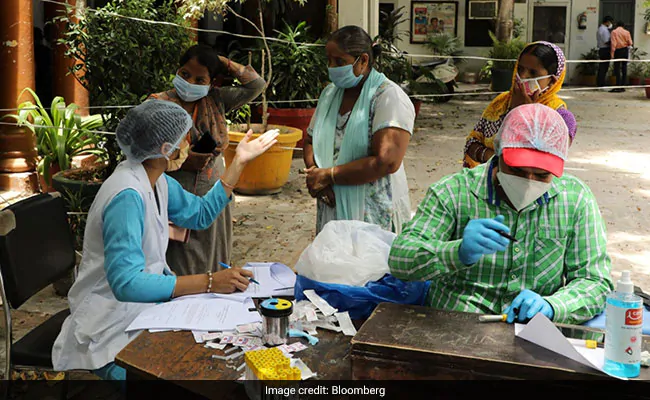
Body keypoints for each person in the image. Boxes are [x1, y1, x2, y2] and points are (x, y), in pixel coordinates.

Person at [52, 100, 279, 380]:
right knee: (175, 381)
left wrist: (239, 161)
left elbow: (200, 214)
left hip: (146, 309)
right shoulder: (126, 196)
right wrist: (209, 281)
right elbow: (127, 284)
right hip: (109, 321)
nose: (190, 143)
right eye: (185, 137)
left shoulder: (157, 180)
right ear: (164, 149)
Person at [390, 103, 613, 325]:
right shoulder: (453, 192)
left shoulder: (575, 199)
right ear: (498, 151)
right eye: (517, 171)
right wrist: (456, 252)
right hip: (455, 325)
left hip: (533, 332)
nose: (528, 183)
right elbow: (400, 259)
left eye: (542, 175)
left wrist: (554, 306)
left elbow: (595, 281)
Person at [149, 45, 265, 276]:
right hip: (177, 195)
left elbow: (256, 85)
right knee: (182, 261)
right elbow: (146, 154)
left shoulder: (216, 100)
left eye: (199, 78)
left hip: (215, 192)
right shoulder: (158, 103)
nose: (190, 81)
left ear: (212, 83)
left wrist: (222, 61)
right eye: (184, 74)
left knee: (215, 255)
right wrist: (182, 161)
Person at [303, 25, 415, 235]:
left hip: (372, 214)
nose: (332, 68)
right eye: (329, 61)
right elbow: (310, 140)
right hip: (332, 207)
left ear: (363, 60)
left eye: (339, 62)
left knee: (371, 266)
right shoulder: (329, 95)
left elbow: (386, 161)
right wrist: (317, 176)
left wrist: (330, 175)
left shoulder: (387, 97)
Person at [463, 41, 577, 168]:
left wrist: (523, 113)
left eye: (533, 73)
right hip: (485, 181)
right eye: (520, 69)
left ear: (552, 81)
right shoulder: (500, 102)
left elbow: (542, 165)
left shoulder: (561, 118)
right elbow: (472, 142)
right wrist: (496, 159)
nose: (522, 76)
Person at [610, 21, 633, 92]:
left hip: (618, 51)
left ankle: (618, 85)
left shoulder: (614, 32)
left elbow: (613, 43)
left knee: (617, 68)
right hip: (625, 50)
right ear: (623, 26)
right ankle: (623, 85)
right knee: (624, 68)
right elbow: (630, 43)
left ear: (616, 25)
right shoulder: (627, 32)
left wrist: (612, 53)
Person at [597, 16, 614, 88]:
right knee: (604, 67)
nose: (610, 24)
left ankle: (600, 82)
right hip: (605, 50)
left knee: (602, 67)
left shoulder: (600, 29)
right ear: (607, 22)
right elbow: (606, 41)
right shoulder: (604, 30)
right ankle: (601, 83)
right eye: (610, 22)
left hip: (602, 49)